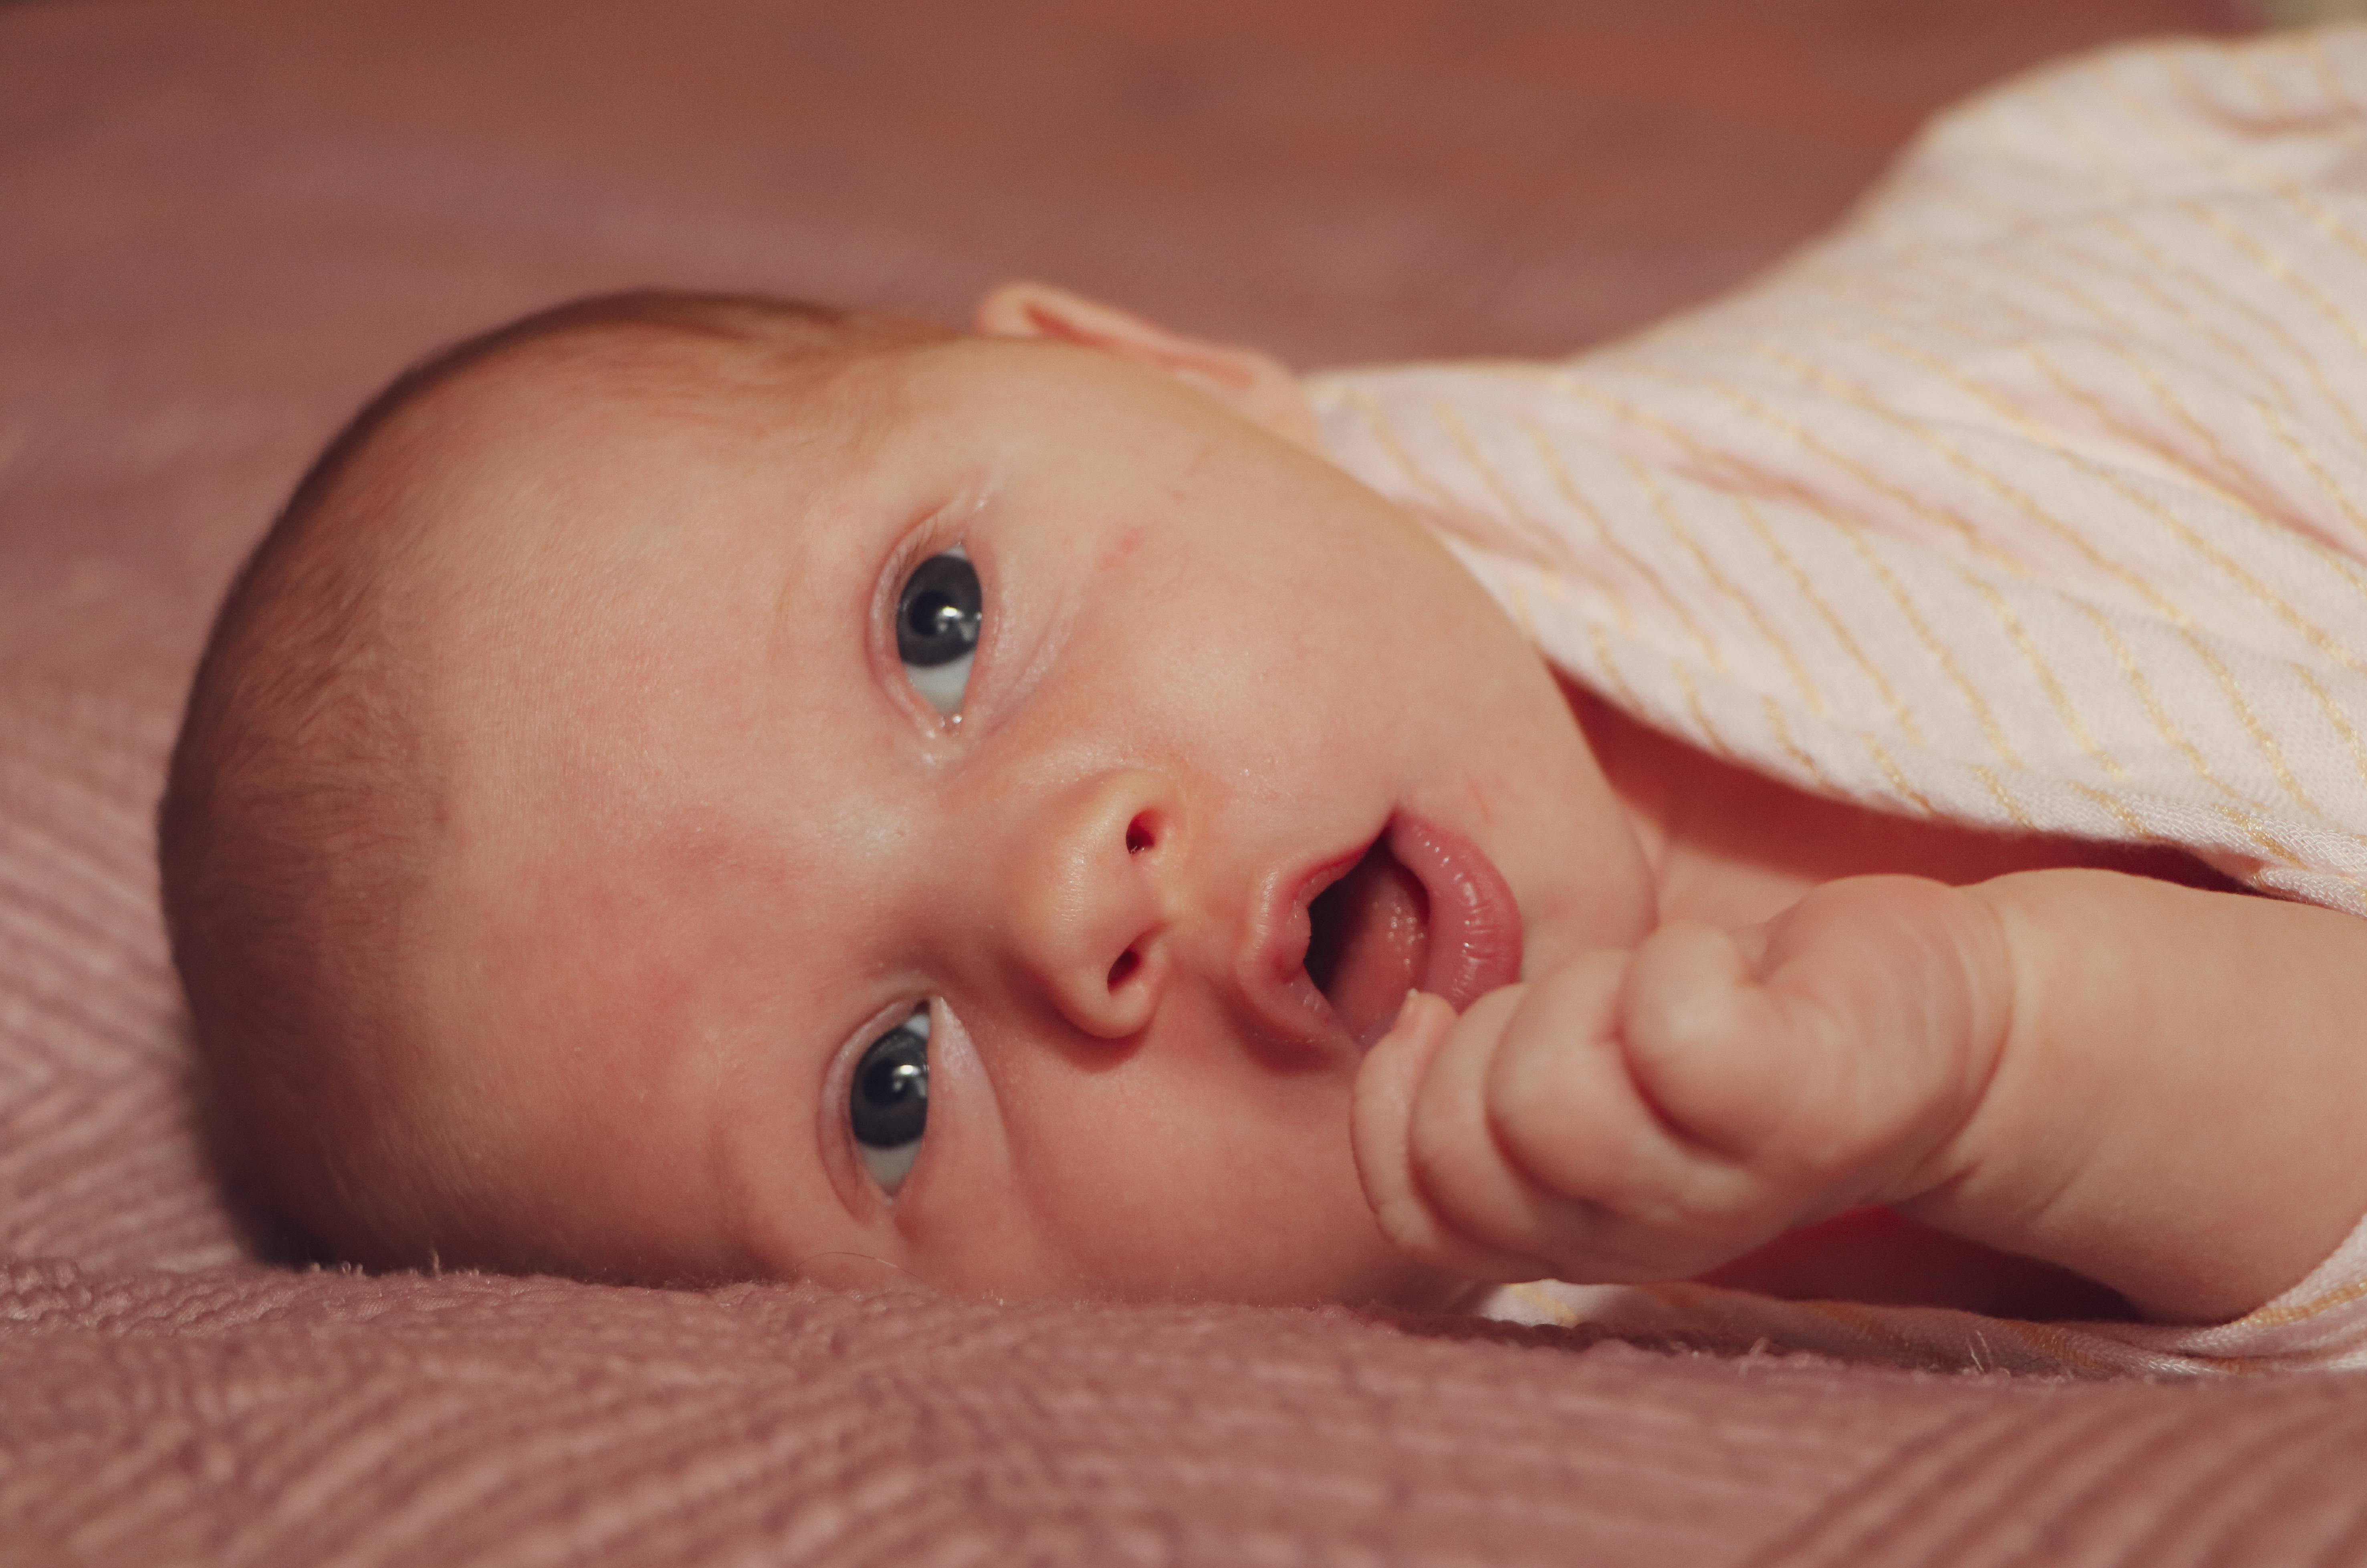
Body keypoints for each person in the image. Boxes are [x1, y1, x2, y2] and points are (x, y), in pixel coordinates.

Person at [160, 25, 2367, 1374]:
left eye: (936, 624)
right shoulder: (1580, 1311)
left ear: (1166, 383)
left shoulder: (1581, 490)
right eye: (889, 1096)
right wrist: (1999, 1067)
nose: (1060, 888)